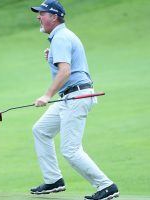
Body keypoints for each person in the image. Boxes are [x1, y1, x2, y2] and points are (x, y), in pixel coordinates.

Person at [29, 0, 120, 199]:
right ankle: (54, 180)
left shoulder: (60, 37)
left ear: (54, 17)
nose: (38, 17)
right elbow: (66, 64)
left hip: (76, 95)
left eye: (42, 13)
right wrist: (52, 55)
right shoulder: (60, 38)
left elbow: (65, 72)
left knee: (70, 150)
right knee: (41, 130)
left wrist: (46, 95)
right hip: (70, 96)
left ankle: (106, 186)